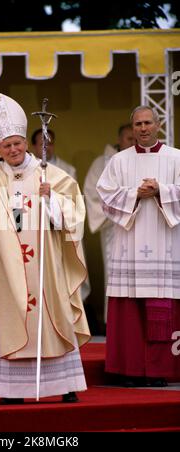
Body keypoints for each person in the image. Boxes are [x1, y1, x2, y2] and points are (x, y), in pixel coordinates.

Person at [0, 93, 90, 404]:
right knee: (9, 318)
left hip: (44, 264)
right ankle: (11, 391)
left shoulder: (50, 175)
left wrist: (51, 200)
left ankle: (63, 385)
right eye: (6, 146)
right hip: (5, 267)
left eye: (17, 143)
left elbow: (75, 215)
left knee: (51, 317)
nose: (13, 149)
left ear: (26, 143)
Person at [96, 106, 180, 387]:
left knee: (161, 307)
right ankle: (128, 370)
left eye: (148, 123)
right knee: (129, 309)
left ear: (158, 125)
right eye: (137, 124)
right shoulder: (119, 161)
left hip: (165, 243)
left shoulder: (175, 157)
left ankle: (158, 372)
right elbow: (104, 196)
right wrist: (135, 194)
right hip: (129, 246)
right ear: (132, 128)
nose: (143, 128)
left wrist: (162, 191)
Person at [32, 128, 91, 302]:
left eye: (49, 143)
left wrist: (53, 199)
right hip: (38, 229)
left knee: (66, 276)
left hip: (64, 229)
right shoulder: (29, 170)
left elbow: (73, 202)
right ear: (34, 146)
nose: (46, 148)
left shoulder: (68, 170)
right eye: (42, 144)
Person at [84, 124, 134, 322]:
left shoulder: (145, 159)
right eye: (129, 138)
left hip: (141, 228)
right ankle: (114, 322)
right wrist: (123, 203)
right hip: (114, 227)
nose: (133, 142)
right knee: (116, 276)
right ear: (120, 139)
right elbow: (92, 193)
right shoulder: (102, 163)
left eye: (135, 138)